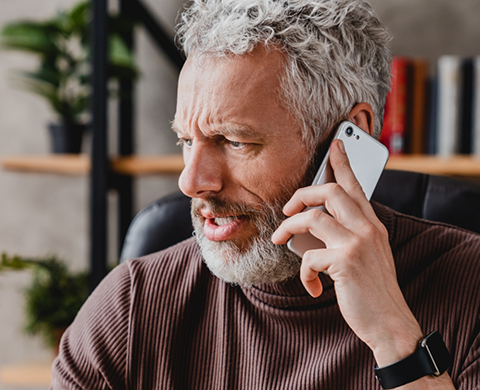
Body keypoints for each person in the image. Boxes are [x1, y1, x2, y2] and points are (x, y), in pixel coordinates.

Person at [51, 1, 480, 389]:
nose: (192, 181)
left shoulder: (470, 288)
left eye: (235, 141)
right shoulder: (130, 307)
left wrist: (396, 338)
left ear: (350, 139)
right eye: (187, 140)